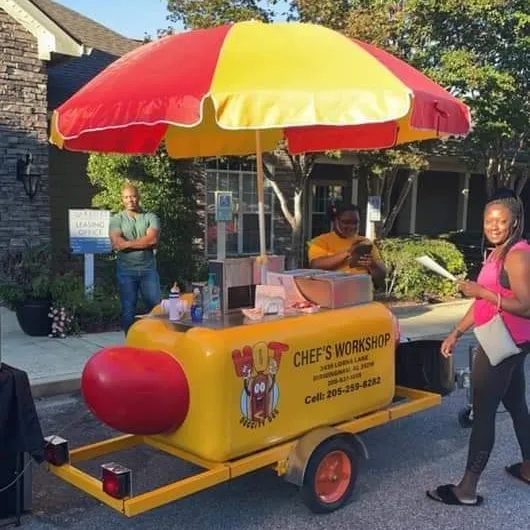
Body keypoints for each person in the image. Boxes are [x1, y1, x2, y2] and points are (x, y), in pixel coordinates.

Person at [427, 188, 530, 506]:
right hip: (502, 338)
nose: (494, 225)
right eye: (489, 220)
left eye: (501, 220)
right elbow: (481, 301)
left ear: (514, 221)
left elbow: (526, 306)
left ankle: (467, 489)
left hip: (504, 342)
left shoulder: (518, 254)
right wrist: (456, 332)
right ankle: (528, 468)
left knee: (483, 412)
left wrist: (482, 293)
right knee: (515, 404)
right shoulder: (497, 253)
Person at [109, 184, 161, 334]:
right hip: (126, 271)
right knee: (128, 309)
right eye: (126, 197)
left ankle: (154, 340)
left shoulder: (150, 217)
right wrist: (142, 242)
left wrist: (128, 244)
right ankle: (130, 342)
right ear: (122, 200)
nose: (130, 200)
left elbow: (152, 240)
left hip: (148, 270)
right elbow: (117, 244)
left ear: (138, 197)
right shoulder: (117, 219)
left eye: (132, 196)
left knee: (155, 308)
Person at [307, 201, 386, 286]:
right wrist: (348, 252)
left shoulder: (365, 242)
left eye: (355, 222)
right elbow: (316, 265)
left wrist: (373, 265)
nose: (352, 226)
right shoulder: (321, 241)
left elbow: (381, 277)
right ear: (335, 220)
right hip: (333, 292)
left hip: (360, 292)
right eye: (346, 222)